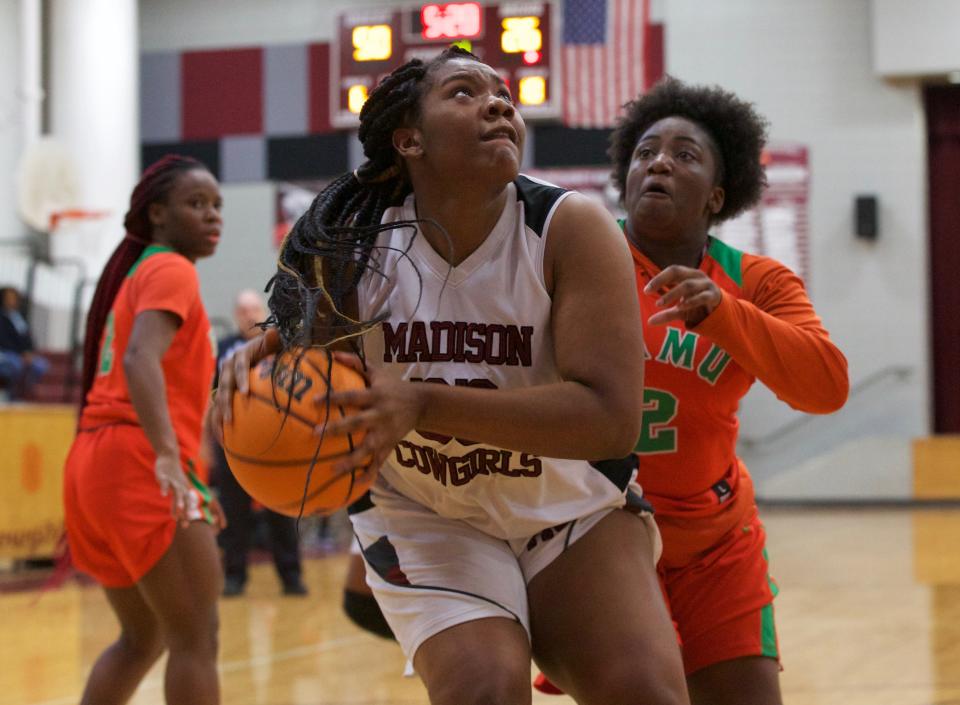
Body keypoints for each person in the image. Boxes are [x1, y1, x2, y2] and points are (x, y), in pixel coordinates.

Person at [215, 47, 689, 705]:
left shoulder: (567, 229)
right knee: (484, 688)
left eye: (504, 95)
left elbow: (610, 420)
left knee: (645, 693)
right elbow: (309, 363)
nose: (499, 103)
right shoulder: (355, 251)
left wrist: (423, 403)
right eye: (464, 92)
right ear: (409, 139)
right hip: (423, 508)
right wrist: (260, 367)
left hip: (568, 503)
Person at [535, 78, 850, 704]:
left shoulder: (756, 281)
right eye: (646, 150)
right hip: (597, 526)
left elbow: (826, 386)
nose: (659, 162)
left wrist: (725, 314)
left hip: (716, 539)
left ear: (718, 195)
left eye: (685, 155)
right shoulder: (568, 254)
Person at [63, 155, 226, 705]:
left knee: (143, 637)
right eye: (195, 204)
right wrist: (166, 461)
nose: (212, 216)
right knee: (196, 638)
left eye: (217, 206)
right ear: (157, 213)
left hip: (95, 462)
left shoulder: (142, 271)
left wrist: (192, 477)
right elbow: (139, 360)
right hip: (137, 460)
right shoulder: (171, 268)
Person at [212, 288, 308, 597]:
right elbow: (210, 398)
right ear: (236, 315)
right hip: (231, 440)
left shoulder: (276, 346)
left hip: (273, 439)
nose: (249, 315)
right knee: (233, 516)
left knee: (281, 511)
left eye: (254, 309)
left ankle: (291, 576)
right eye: (243, 310)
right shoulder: (224, 348)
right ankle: (234, 576)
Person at [0, 286, 50, 400]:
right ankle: (10, 396)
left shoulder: (19, 317)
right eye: (9, 298)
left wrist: (29, 352)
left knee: (40, 365)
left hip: (21, 354)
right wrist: (20, 354)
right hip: (6, 353)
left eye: (14, 298)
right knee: (14, 365)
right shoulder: (2, 317)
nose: (11, 301)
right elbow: (3, 339)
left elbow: (28, 338)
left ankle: (23, 393)